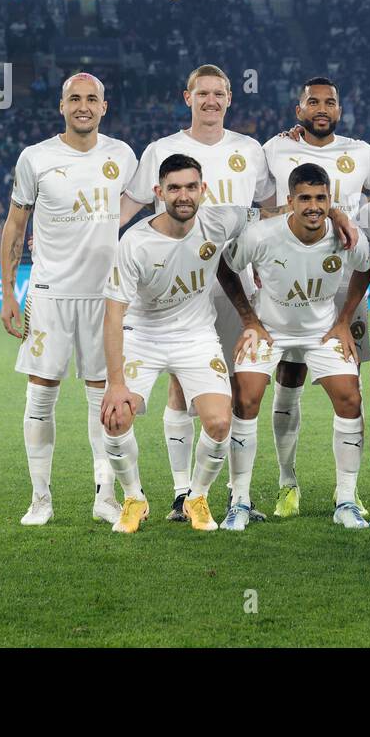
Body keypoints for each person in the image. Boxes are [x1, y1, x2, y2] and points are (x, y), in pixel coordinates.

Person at [117, 64, 276, 522]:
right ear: (187, 97)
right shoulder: (162, 150)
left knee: (240, 390)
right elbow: (128, 208)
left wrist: (268, 260)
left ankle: (237, 495)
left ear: (230, 99)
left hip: (239, 281)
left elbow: (267, 208)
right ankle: (183, 493)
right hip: (184, 288)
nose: (211, 100)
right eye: (202, 92)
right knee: (180, 388)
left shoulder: (250, 149)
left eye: (219, 93)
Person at [0, 72, 139, 526]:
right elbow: (15, 226)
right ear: (61, 106)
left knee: (103, 398)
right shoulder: (36, 158)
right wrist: (8, 293)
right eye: (74, 98)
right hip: (49, 294)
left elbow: (142, 201)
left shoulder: (123, 155)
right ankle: (40, 498)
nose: (83, 105)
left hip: (105, 297)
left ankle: (104, 496)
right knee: (41, 395)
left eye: (91, 99)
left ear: (104, 106)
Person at [257, 77, 370, 518]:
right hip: (291, 285)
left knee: (348, 392)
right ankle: (286, 483)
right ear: (299, 110)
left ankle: (345, 495)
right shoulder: (275, 148)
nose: (321, 108)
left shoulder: (361, 153)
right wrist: (328, 211)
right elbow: (264, 207)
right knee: (288, 381)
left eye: (329, 102)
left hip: (343, 286)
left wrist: (361, 229)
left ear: (339, 109)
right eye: (312, 101)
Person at [98, 154, 249, 533]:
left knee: (218, 422)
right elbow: (113, 315)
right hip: (144, 336)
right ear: (158, 192)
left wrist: (339, 215)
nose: (184, 195)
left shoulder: (220, 221)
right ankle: (134, 498)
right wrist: (116, 385)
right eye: (174, 188)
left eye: (191, 187)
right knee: (116, 418)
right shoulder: (135, 242)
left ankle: (196, 497)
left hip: (196, 337)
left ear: (203, 190)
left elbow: (281, 210)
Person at [220, 163, 370, 530]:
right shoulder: (262, 235)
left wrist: (343, 320)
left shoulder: (346, 236)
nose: (313, 206)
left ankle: (346, 500)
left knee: (351, 399)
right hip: (269, 329)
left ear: (330, 201)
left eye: (321, 198)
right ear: (289, 201)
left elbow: (365, 267)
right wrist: (249, 320)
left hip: (322, 331)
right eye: (304, 198)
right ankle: (240, 500)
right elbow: (226, 267)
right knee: (245, 399)